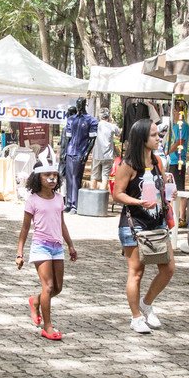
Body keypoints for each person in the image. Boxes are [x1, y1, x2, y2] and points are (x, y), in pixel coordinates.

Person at [112, 118, 175, 334]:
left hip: (157, 222)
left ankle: (147, 303)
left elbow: (163, 186)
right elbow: (117, 194)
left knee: (168, 269)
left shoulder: (158, 161)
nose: (159, 138)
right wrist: (138, 201)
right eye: (154, 135)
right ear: (142, 138)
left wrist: (168, 194)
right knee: (136, 272)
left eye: (159, 134)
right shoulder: (128, 165)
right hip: (134, 223)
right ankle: (135, 316)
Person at [16, 164, 78, 341]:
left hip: (57, 247)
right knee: (48, 286)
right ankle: (48, 326)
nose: (52, 178)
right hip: (40, 246)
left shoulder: (59, 198)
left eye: (55, 175)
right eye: (47, 175)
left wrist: (71, 245)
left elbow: (62, 223)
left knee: (58, 288)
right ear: (38, 178)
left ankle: (35, 300)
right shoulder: (32, 200)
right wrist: (19, 253)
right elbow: (25, 228)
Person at [167, 100, 189, 219]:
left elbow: (180, 141)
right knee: (171, 188)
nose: (174, 113)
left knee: (179, 189)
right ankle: (173, 214)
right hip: (171, 161)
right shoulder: (175, 126)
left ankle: (182, 216)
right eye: (174, 111)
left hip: (178, 161)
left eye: (176, 110)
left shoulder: (184, 126)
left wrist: (169, 150)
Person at [90, 108, 119, 190]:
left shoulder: (96, 125)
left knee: (94, 176)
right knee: (105, 177)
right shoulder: (112, 126)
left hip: (97, 155)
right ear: (108, 116)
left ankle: (92, 194)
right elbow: (118, 133)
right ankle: (102, 197)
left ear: (100, 116)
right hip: (108, 156)